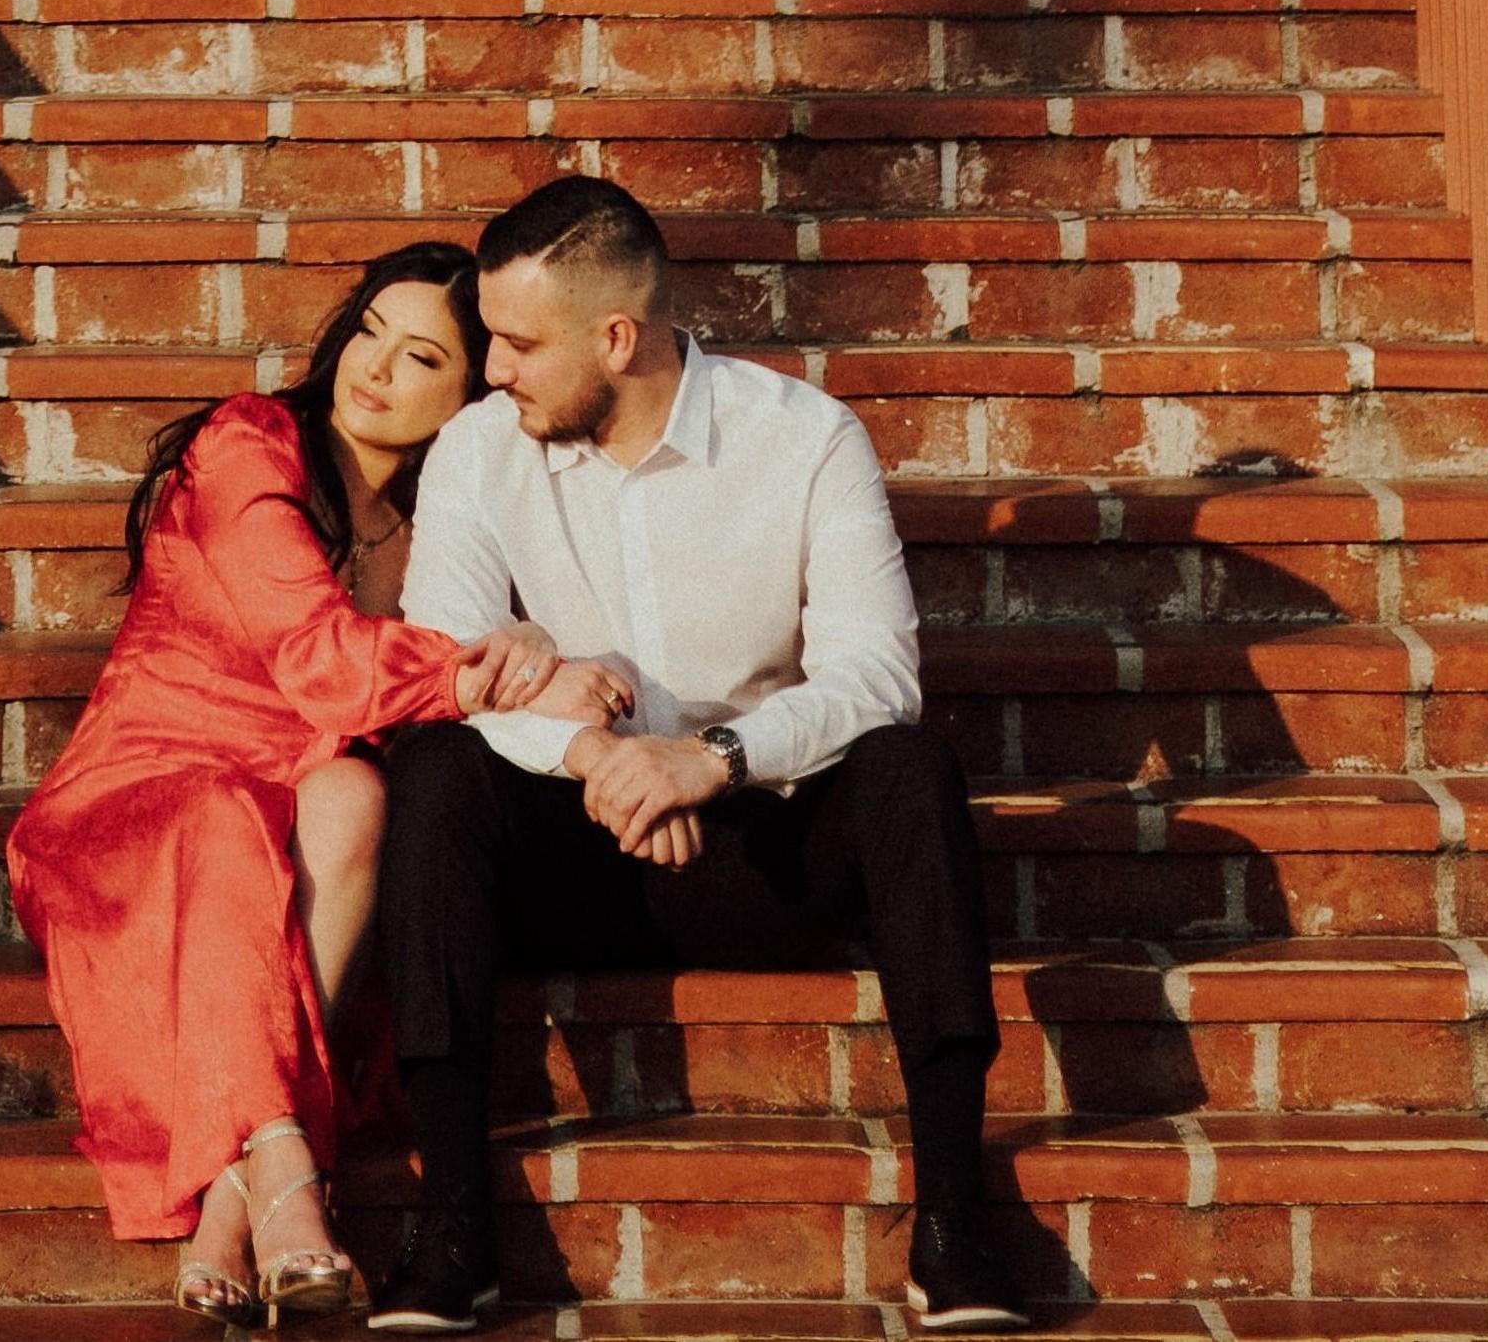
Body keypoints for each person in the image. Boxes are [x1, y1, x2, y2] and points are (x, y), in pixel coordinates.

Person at [361, 172, 1073, 1339]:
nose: (491, 369)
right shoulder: (478, 449)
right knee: (433, 768)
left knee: (909, 766)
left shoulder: (803, 436)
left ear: (615, 335)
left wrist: (711, 758)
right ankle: (449, 1230)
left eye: (518, 343)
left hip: (760, 853)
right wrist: (592, 752)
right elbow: (449, 661)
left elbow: (874, 672)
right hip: (569, 855)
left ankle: (955, 1218)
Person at [12, 239, 631, 1321]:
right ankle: (286, 1162)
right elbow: (318, 657)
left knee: (355, 794)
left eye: (421, 354)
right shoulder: (250, 440)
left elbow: (513, 653)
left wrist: (533, 648)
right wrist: (488, 673)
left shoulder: (445, 516)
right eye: (369, 330)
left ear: (466, 395)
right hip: (139, 793)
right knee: (224, 817)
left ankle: (229, 1199)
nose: (374, 366)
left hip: (293, 800)